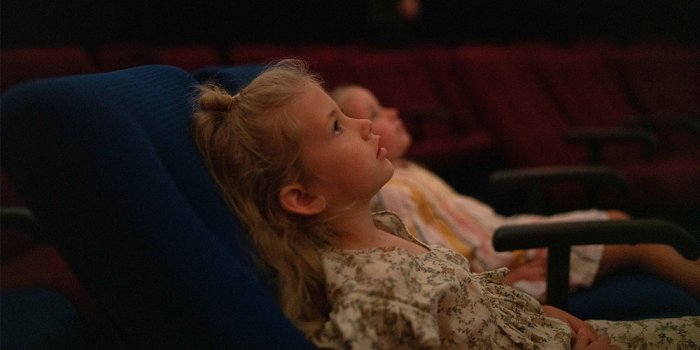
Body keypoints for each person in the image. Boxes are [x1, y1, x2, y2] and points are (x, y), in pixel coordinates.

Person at [193, 59, 699, 349]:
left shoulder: (385, 225)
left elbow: (471, 298)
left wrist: (549, 314)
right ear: (303, 197)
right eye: (337, 126)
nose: (365, 125)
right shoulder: (375, 296)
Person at [330, 84, 700, 302]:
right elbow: (437, 260)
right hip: (506, 263)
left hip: (509, 239)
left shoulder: (408, 170)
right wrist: (509, 278)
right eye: (374, 112)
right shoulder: (390, 193)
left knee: (633, 230)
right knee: (638, 238)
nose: (391, 113)